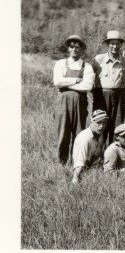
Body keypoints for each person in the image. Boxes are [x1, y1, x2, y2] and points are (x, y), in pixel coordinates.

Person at [88, 30, 125, 144]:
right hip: (101, 97)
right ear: (107, 45)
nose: (115, 46)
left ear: (121, 45)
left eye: (117, 44)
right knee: (100, 124)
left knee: (117, 126)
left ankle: (114, 153)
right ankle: (98, 156)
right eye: (112, 43)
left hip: (119, 97)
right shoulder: (98, 60)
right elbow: (88, 75)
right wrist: (92, 90)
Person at [53, 35, 95, 165]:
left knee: (79, 133)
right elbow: (57, 82)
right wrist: (76, 80)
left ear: (82, 49)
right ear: (68, 49)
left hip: (80, 103)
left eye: (78, 47)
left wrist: (67, 84)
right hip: (62, 103)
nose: (74, 49)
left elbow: (87, 86)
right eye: (72, 46)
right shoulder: (60, 63)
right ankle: (62, 162)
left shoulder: (87, 66)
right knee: (63, 133)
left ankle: (77, 163)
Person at [72, 110, 109, 184]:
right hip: (83, 170)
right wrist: (75, 179)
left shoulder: (99, 134)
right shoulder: (84, 138)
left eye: (104, 122)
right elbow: (79, 163)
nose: (101, 126)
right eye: (98, 122)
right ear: (92, 122)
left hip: (94, 168)